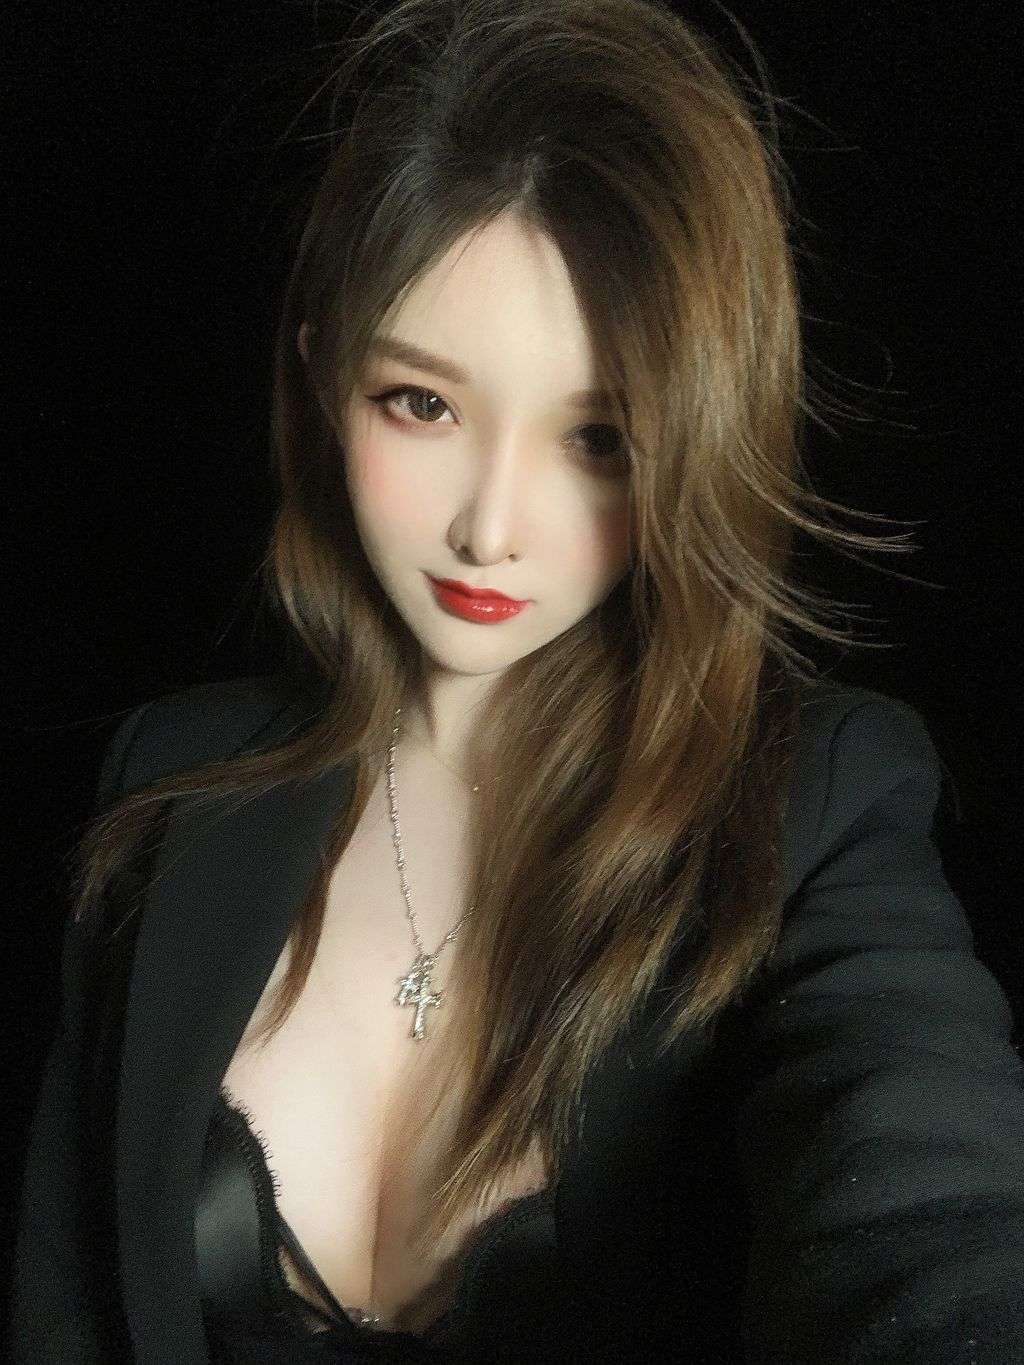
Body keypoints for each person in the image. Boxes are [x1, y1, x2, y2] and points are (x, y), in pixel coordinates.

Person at [11, 1, 1024, 1361]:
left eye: (599, 439)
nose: (490, 529)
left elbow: (929, 1203)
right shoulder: (169, 784)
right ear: (322, 373)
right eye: (422, 403)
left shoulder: (816, 805)